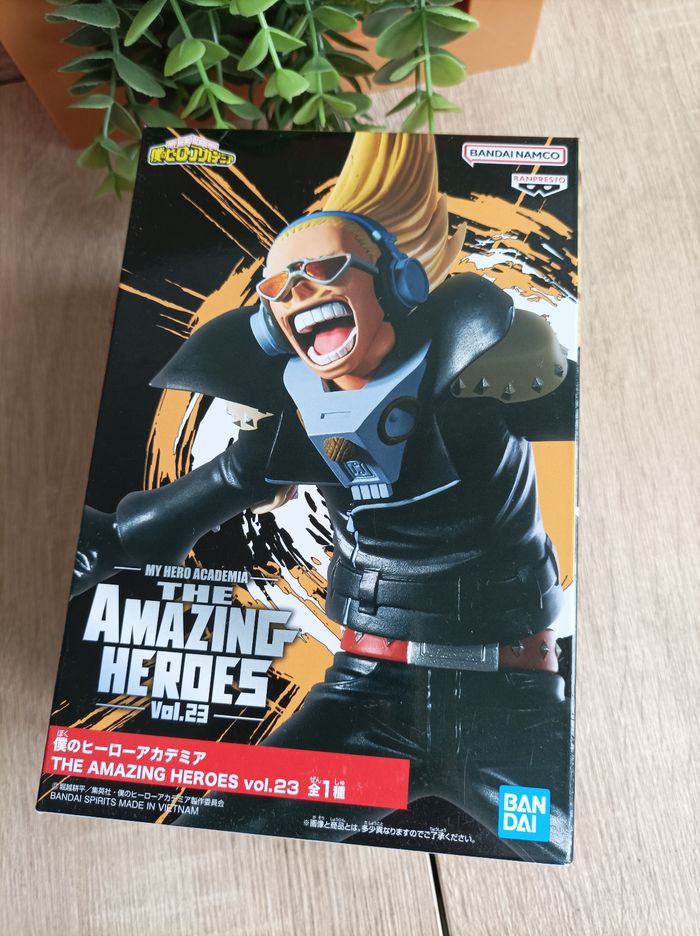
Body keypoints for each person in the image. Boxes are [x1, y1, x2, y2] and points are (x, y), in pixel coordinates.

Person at [72, 133, 575, 862]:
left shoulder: (482, 383)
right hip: (366, 697)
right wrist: (84, 545)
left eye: (326, 269)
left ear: (399, 283)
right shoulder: (296, 427)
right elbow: (163, 519)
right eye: (278, 287)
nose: (298, 291)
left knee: (599, 855)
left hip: (512, 700)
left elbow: (617, 409)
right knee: (210, 840)